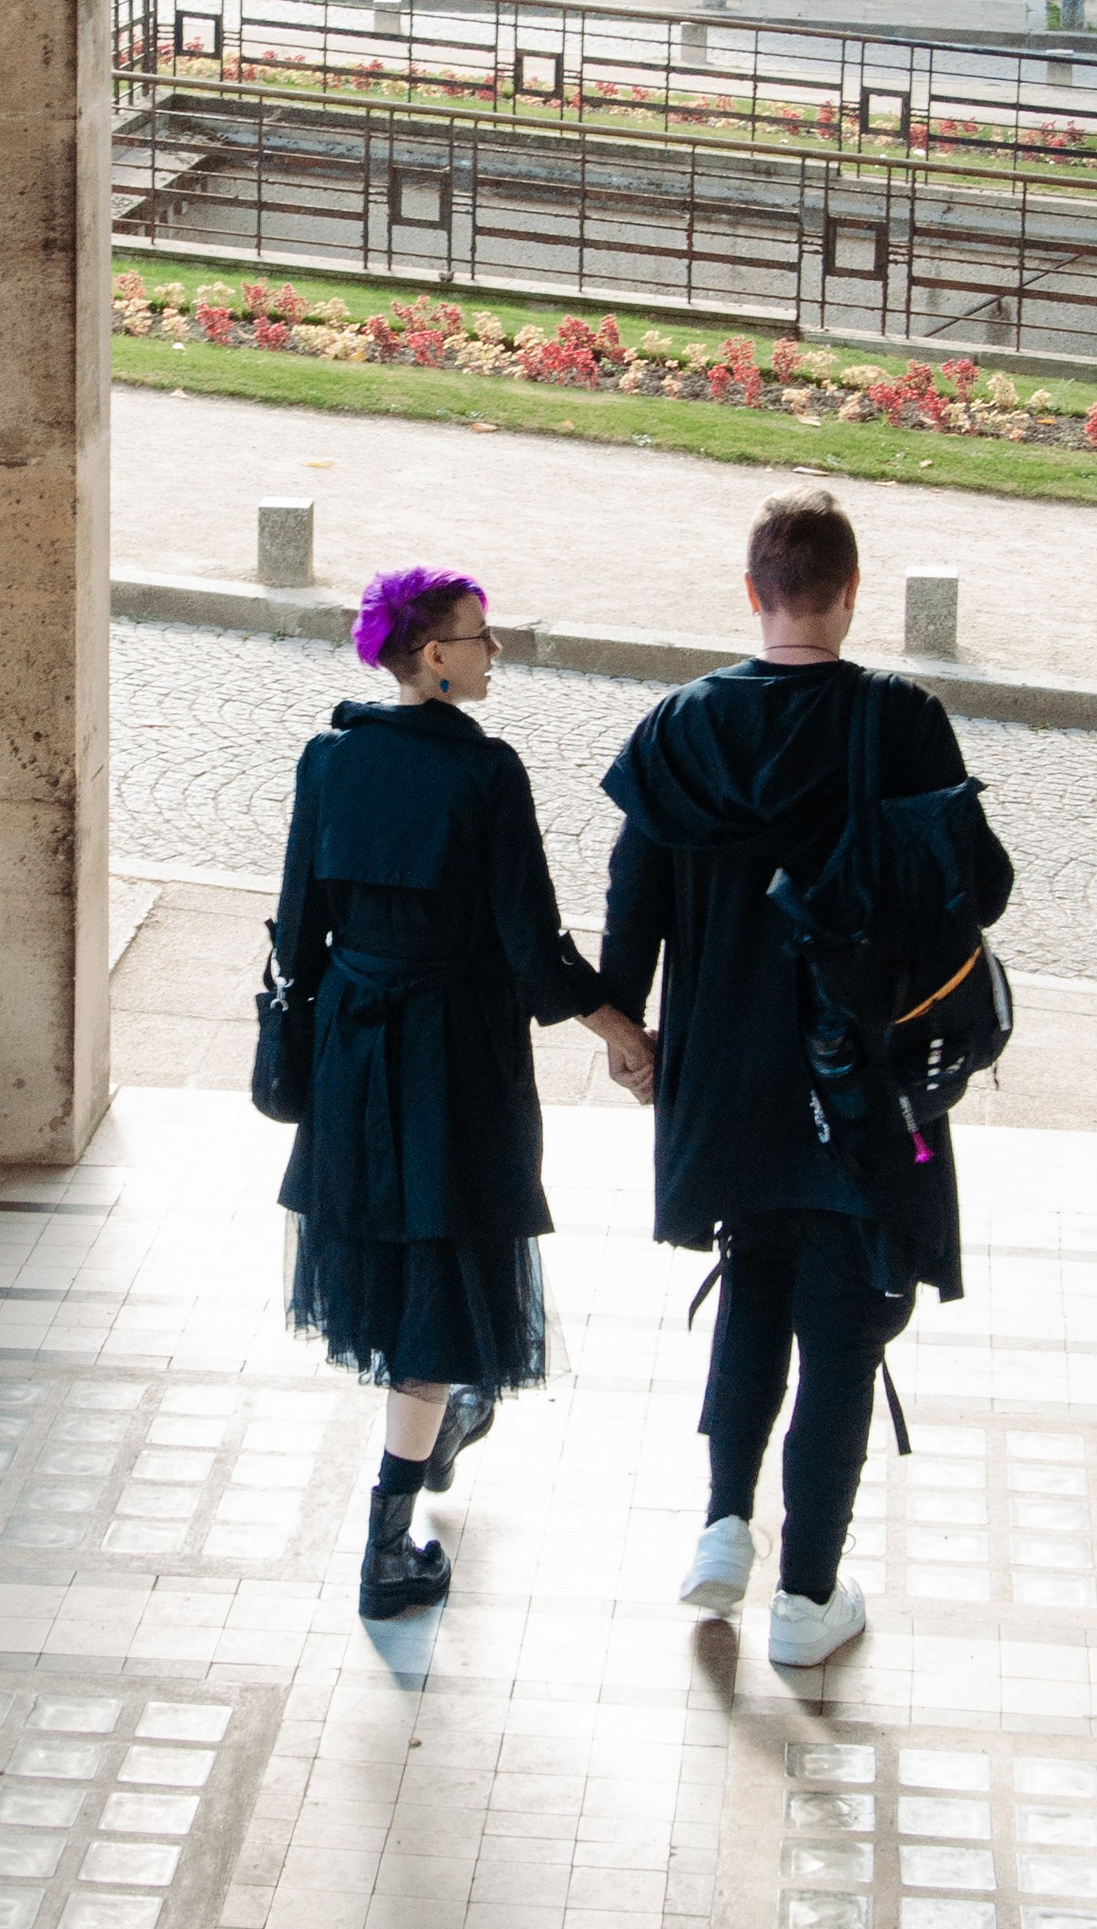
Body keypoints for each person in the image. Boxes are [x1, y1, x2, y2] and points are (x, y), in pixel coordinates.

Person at [598, 488, 1011, 1669]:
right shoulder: (900, 720)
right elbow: (972, 891)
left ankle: (724, 1530)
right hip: (859, 1084)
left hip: (724, 1077)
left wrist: (633, 1036)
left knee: (752, 1282)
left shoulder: (677, 729)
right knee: (841, 1325)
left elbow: (635, 906)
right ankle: (806, 1600)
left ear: (752, 592)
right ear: (847, 593)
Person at [272, 566, 657, 1618]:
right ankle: (387, 1548)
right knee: (438, 1303)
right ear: (433, 657)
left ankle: (433, 1434)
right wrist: (623, 1034)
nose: (496, 653)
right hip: (453, 1058)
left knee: (404, 1289)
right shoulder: (486, 774)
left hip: (357, 1052)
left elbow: (296, 929)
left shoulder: (329, 758)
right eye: (481, 637)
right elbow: (531, 945)